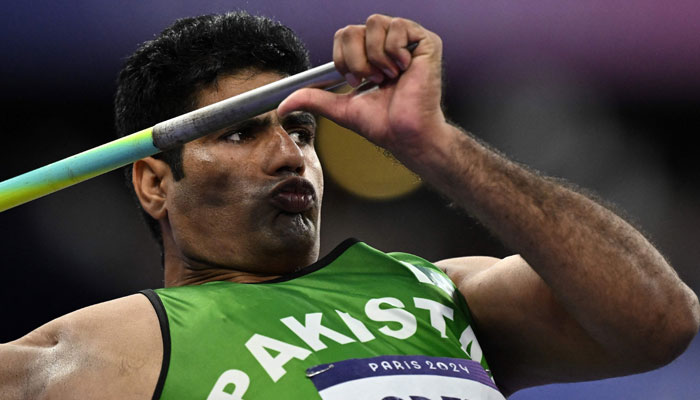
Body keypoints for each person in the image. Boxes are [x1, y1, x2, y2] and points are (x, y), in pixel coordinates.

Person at [1, 11, 698, 400]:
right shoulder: (108, 347)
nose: (288, 156)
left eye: (300, 132)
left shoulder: (450, 294)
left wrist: (439, 148)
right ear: (155, 183)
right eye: (242, 133)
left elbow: (660, 323)